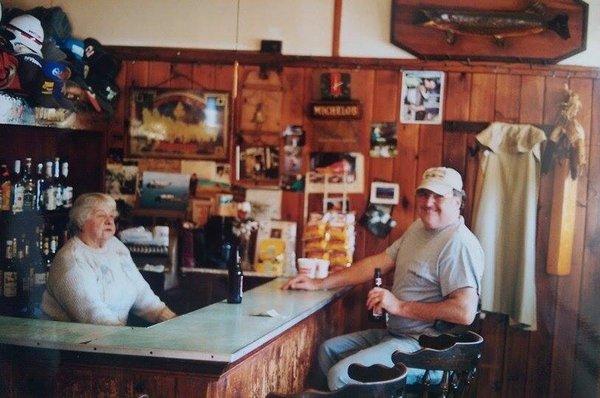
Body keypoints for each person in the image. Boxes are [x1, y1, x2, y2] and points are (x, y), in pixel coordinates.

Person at [283, 167, 484, 391]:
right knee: (328, 351)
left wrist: (398, 306)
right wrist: (318, 283)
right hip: (396, 335)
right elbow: (378, 262)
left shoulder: (458, 243)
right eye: (424, 194)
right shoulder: (420, 228)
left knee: (340, 376)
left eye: (438, 196)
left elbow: (464, 312)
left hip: (426, 350)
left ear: (458, 201)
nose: (428, 203)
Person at [41, 193, 176, 326]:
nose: (109, 221)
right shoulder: (71, 260)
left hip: (112, 338)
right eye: (101, 215)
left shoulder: (115, 246)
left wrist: (174, 321)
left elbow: (143, 296)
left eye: (111, 216)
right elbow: (95, 317)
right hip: (74, 343)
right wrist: (129, 340)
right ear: (81, 221)